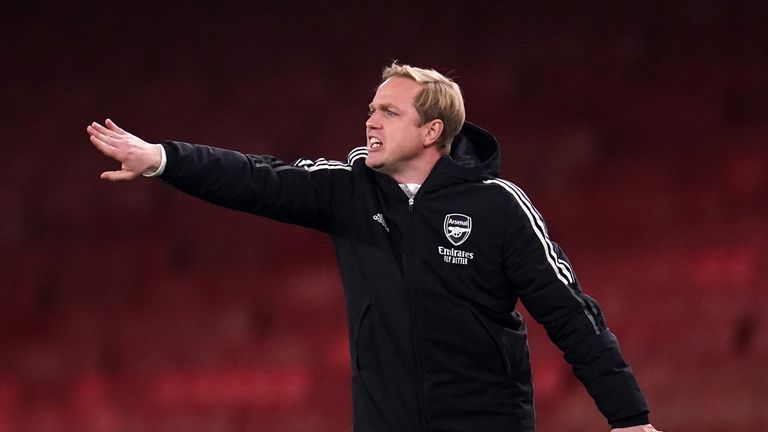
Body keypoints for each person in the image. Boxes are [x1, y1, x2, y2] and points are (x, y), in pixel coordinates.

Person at [87, 63, 662, 432]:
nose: (371, 121)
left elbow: (569, 312)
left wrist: (628, 417)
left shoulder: (497, 206)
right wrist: (163, 159)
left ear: (433, 130)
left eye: (389, 111)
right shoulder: (347, 190)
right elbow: (255, 179)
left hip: (486, 422)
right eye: (370, 109)